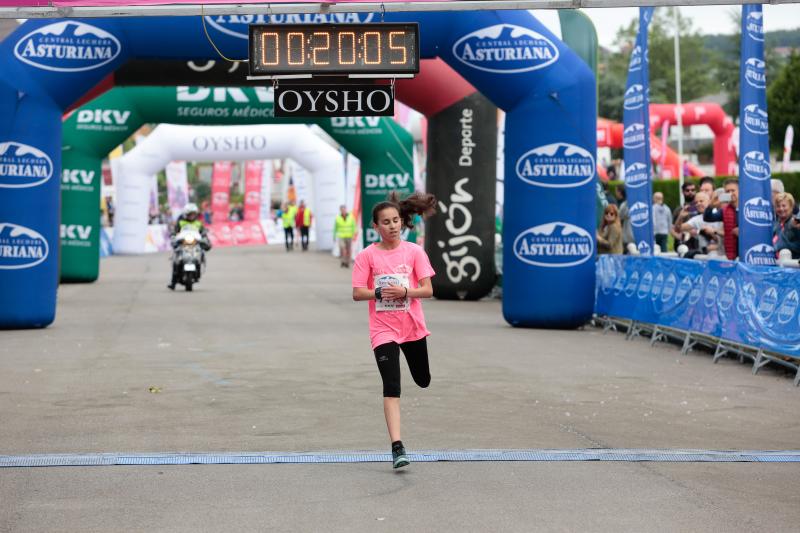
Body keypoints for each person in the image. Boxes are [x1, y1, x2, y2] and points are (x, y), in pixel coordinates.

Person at [351, 192, 437, 470]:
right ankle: (397, 447)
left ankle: (420, 375)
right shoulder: (366, 256)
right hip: (383, 329)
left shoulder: (414, 252)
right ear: (375, 227)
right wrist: (378, 292)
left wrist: (405, 291)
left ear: (403, 222)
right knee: (392, 386)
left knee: (422, 379)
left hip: (411, 327)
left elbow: (428, 289)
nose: (392, 226)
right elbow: (357, 293)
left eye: (396, 221)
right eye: (385, 222)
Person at [168, 203, 211, 290]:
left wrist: (205, 238)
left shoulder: (198, 223)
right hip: (183, 243)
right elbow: (174, 232)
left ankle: (198, 267)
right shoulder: (181, 223)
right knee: (176, 260)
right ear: (186, 214)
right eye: (190, 214)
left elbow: (203, 233)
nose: (192, 216)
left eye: (193, 214)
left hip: (195, 244)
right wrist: (173, 236)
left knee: (202, 252)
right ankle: (173, 282)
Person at [703, 178, 739, 260]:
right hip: (731, 255)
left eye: (733, 190)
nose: (730, 193)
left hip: (747, 253)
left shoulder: (748, 208)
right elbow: (708, 218)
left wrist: (744, 232)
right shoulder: (725, 210)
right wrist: (712, 205)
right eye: (727, 191)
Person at [679, 192, 720, 257]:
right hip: (706, 255)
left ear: (709, 201)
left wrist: (713, 233)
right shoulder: (697, 219)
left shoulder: (718, 214)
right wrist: (680, 217)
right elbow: (678, 229)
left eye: (701, 201)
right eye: (696, 202)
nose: (698, 204)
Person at [615, 185, 634, 252]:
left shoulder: (624, 204)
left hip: (628, 236)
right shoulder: (624, 204)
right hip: (628, 236)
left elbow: (619, 216)